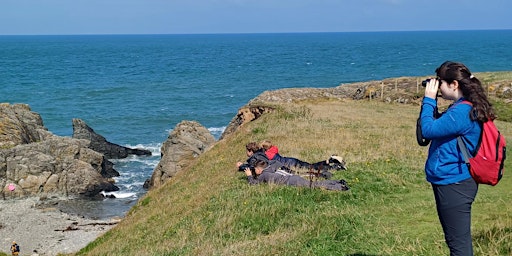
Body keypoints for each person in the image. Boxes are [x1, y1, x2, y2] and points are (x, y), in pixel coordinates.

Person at [419, 61, 492, 255]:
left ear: (454, 85)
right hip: (454, 180)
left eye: (440, 83)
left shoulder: (461, 112)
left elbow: (428, 130)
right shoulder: (461, 107)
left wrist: (428, 100)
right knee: (457, 242)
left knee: (458, 246)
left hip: (455, 183)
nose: (438, 88)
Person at [244, 160, 349, 191]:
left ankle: (340, 187)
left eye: (255, 170)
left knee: (314, 186)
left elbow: (254, 184)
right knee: (315, 184)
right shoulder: (271, 168)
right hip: (293, 177)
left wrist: (249, 176)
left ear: (259, 169)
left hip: (292, 181)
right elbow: (275, 162)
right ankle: (338, 182)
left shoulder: (264, 174)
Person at [260, 140, 347, 171]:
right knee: (311, 165)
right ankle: (329, 161)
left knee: (312, 168)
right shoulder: (274, 149)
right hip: (291, 160)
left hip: (290, 165)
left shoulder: (268, 154)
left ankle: (335, 167)